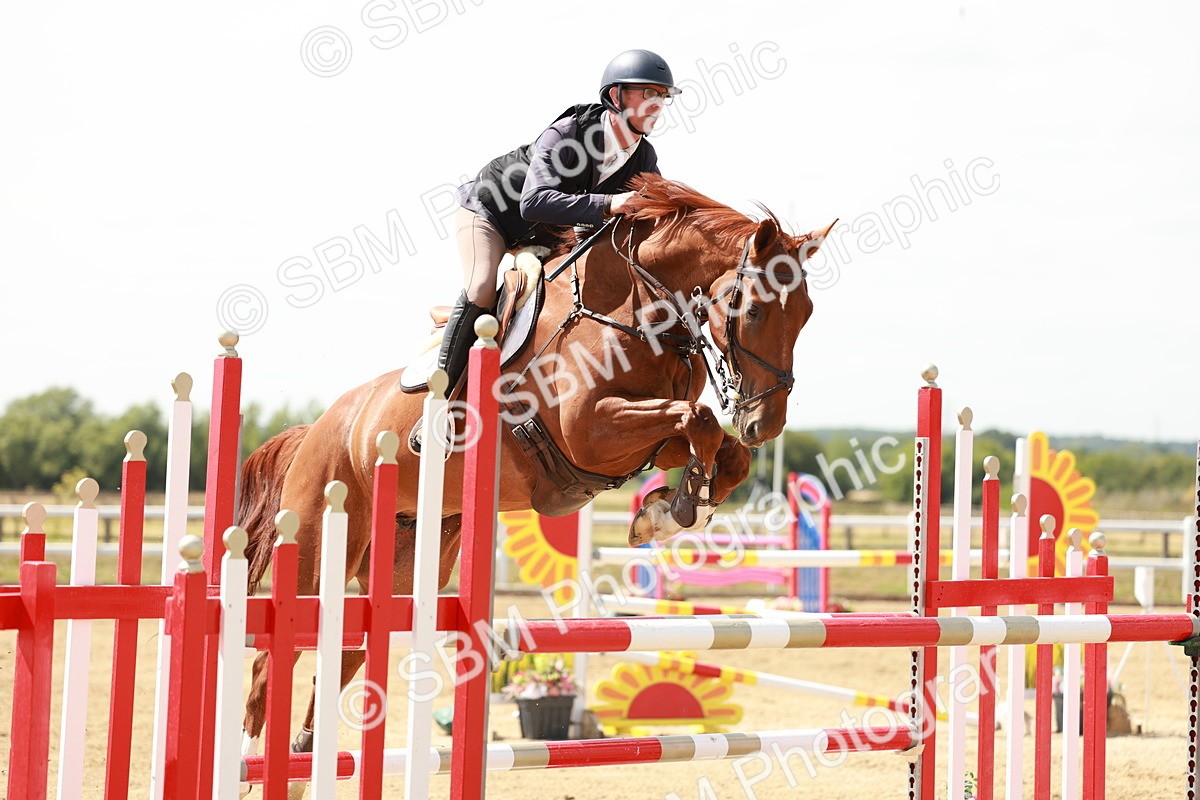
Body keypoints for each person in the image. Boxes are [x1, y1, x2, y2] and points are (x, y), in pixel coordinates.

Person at [436, 48, 681, 392]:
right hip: (492, 213)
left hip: (548, 238)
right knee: (481, 288)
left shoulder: (644, 158)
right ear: (616, 96)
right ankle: (443, 394)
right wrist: (609, 203)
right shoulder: (568, 133)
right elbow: (533, 202)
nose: (658, 104)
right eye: (649, 93)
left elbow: (656, 214)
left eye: (663, 96)